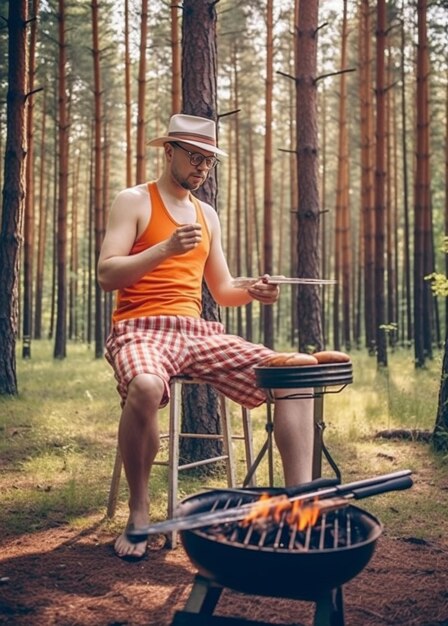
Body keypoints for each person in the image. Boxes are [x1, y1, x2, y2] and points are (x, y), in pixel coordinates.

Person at [98, 114, 315, 560]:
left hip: (196, 332)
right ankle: (140, 514)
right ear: (169, 151)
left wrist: (253, 291)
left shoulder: (206, 214)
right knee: (144, 385)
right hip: (139, 328)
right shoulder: (135, 200)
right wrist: (164, 248)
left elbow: (223, 290)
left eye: (208, 160)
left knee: (298, 373)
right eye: (194, 156)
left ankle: (299, 508)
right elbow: (107, 275)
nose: (201, 167)